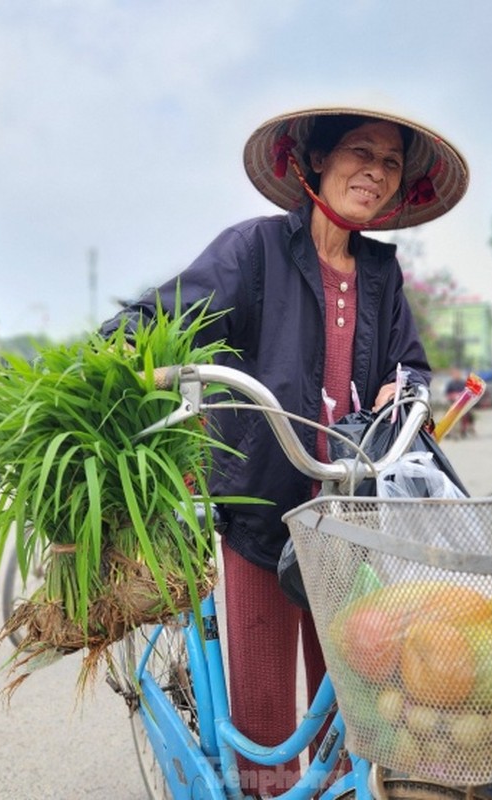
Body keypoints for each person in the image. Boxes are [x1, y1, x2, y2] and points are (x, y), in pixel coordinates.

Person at [101, 105, 468, 794]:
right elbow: (163, 318)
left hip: (353, 516)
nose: (375, 171)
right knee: (266, 711)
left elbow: (411, 364)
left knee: (354, 695)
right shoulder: (254, 250)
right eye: (360, 152)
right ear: (316, 163)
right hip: (262, 509)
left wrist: (405, 388)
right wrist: (123, 349)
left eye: (390, 163)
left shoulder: (383, 275)